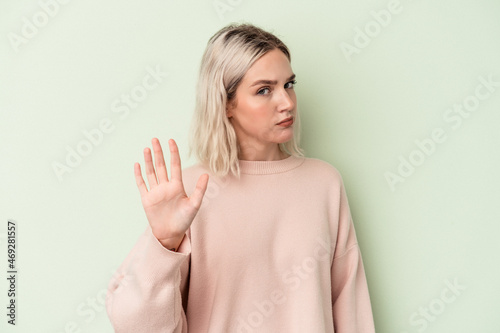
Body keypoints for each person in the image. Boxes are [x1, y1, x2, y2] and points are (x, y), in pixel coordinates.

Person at [106, 23, 376, 333]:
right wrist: (164, 243)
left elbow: (352, 308)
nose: (287, 102)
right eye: (264, 90)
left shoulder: (324, 183)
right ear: (226, 104)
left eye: (289, 84)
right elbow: (135, 325)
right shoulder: (191, 193)